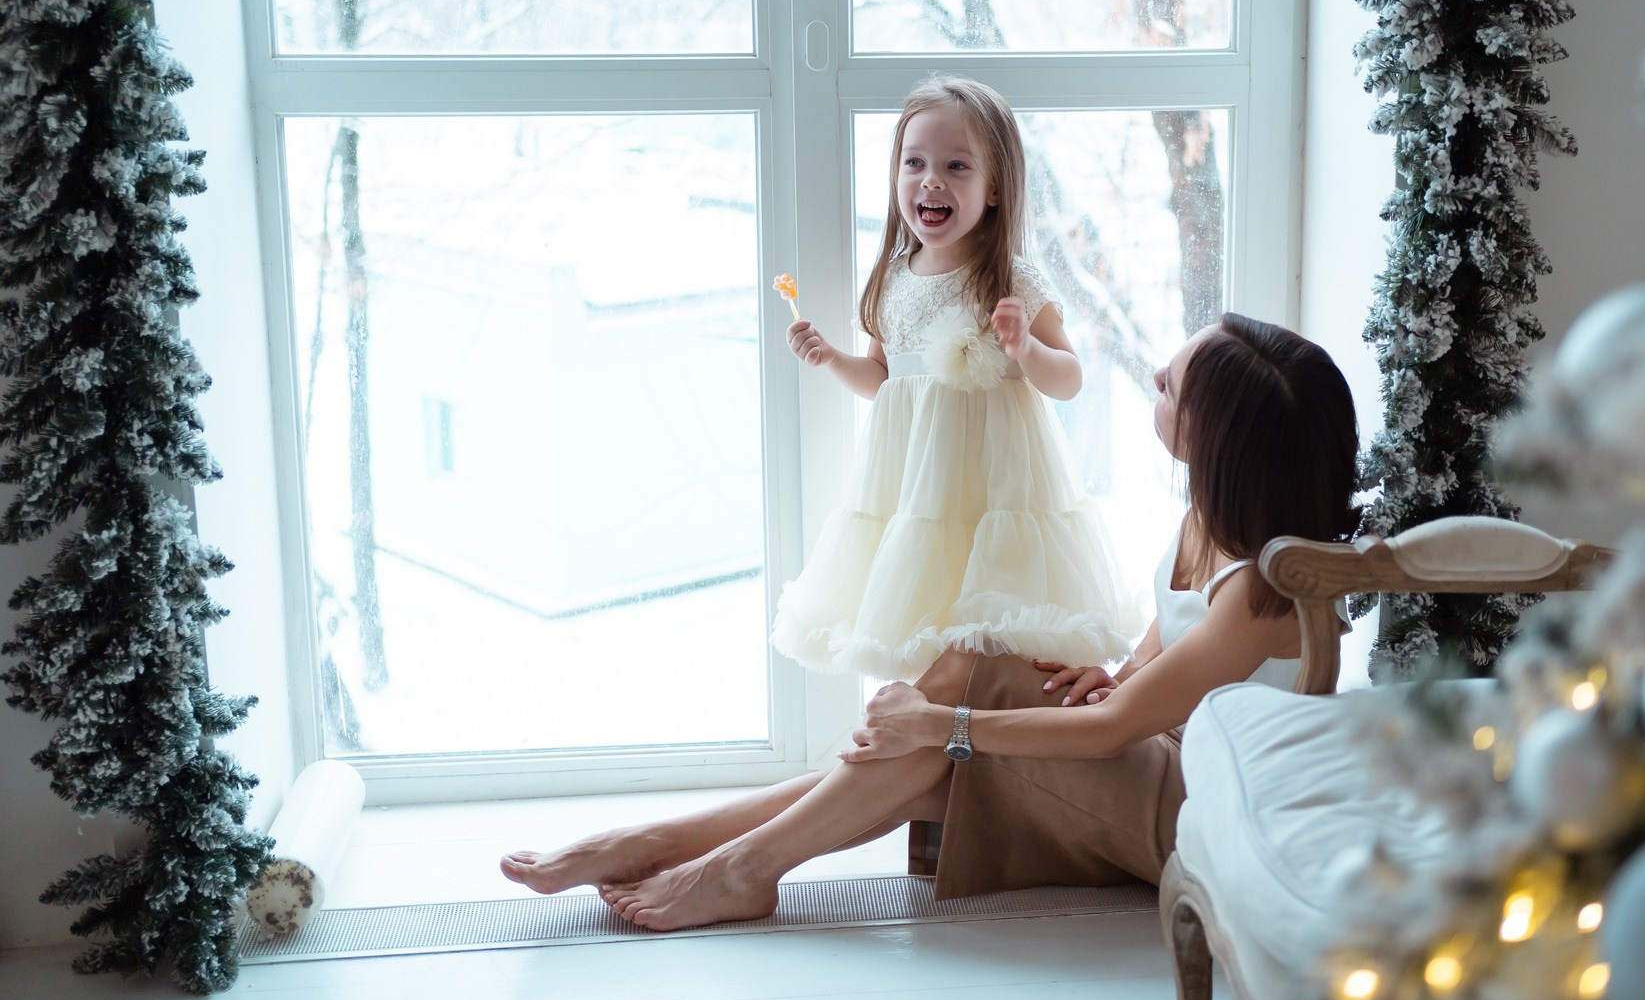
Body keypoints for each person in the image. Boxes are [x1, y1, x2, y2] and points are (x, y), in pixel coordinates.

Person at [500, 315, 1362, 930]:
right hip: (1158, 759)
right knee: (946, 714)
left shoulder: (1266, 592)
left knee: (938, 730)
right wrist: (1112, 675)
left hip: (1194, 808)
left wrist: (943, 723)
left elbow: (1113, 732)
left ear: (1218, 441)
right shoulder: (1210, 520)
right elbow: (1150, 663)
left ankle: (716, 863)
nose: (1155, 385)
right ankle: (678, 850)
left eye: (1170, 386)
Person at [770, 74, 1137, 681]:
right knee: (922, 625)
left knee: (999, 631)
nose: (931, 180)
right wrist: (832, 359)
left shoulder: (1011, 279)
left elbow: (1069, 379)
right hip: (914, 487)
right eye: (914, 163)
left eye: (956, 166)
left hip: (996, 489)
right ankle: (933, 723)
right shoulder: (892, 279)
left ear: (994, 188)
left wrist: (1025, 348)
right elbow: (886, 381)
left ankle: (994, 716)